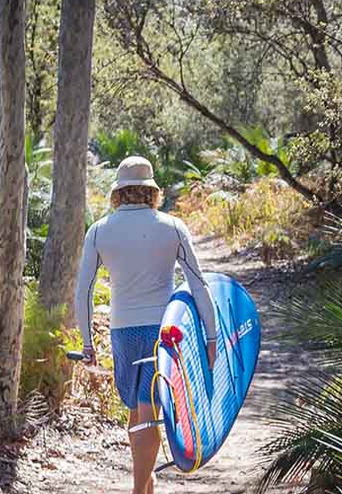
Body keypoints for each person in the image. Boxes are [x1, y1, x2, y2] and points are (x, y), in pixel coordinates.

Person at [74, 155, 217, 494]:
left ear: (119, 192)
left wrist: (87, 344)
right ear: (152, 190)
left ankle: (140, 488)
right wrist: (211, 337)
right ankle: (144, 485)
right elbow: (199, 284)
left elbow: (83, 292)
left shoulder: (100, 232)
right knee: (143, 411)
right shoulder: (172, 227)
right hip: (164, 330)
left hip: (123, 332)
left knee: (142, 410)